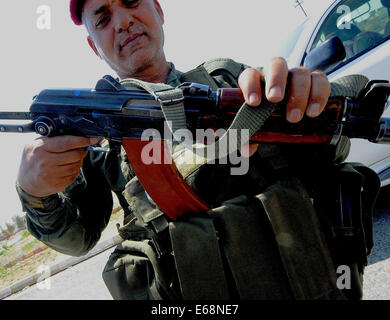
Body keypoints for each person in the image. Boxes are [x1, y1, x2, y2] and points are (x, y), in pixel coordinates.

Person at [16, 0, 360, 300]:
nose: (122, 22)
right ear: (94, 46)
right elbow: (78, 241)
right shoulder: (98, 142)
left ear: (159, 10)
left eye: (132, 1)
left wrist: (313, 107)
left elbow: (331, 158)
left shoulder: (230, 81)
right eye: (103, 18)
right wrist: (36, 196)